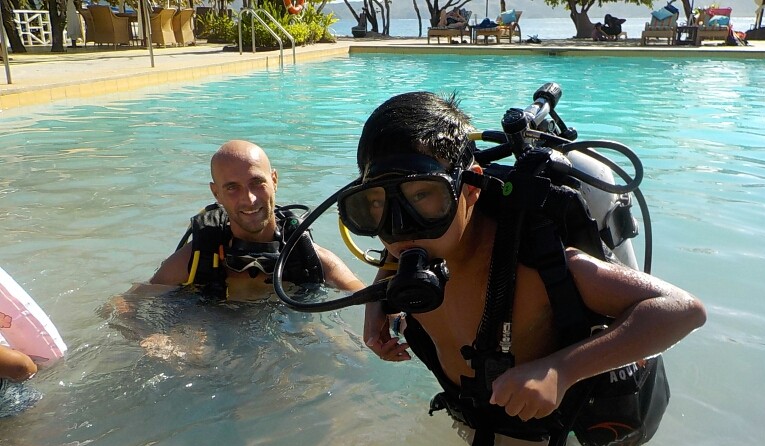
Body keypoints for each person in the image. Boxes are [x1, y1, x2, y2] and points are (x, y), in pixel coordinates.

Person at [354, 92, 706, 428]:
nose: (399, 228)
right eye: (375, 204)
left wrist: (561, 371)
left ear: (471, 187)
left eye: (423, 195)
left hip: (542, 424)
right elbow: (405, 237)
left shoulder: (534, 262)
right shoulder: (411, 252)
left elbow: (683, 309)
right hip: (469, 409)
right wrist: (378, 299)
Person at [150, 140, 364, 299]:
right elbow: (128, 304)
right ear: (216, 194)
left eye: (257, 182)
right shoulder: (198, 257)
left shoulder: (307, 256)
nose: (249, 199)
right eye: (232, 187)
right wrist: (155, 338)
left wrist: (394, 319)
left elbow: (365, 296)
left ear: (274, 180)